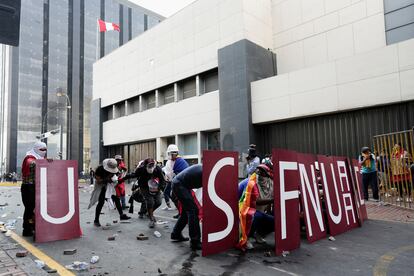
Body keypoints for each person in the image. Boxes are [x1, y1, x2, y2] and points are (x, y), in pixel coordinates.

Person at [238, 163, 274, 250]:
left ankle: (259, 233)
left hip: (258, 211)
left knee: (274, 221)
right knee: (255, 216)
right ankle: (246, 238)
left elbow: (269, 201)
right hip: (243, 211)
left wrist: (268, 214)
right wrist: (273, 200)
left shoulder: (270, 184)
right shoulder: (250, 183)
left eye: (263, 172)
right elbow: (254, 202)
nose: (259, 174)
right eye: (258, 171)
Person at [88, 158, 131, 227]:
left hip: (109, 185)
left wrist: (116, 180)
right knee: (101, 202)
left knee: (116, 198)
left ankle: (121, 215)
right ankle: (96, 220)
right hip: (100, 185)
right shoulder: (99, 170)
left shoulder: (115, 169)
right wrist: (107, 179)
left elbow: (116, 178)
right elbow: (98, 181)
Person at [124, 158, 166, 228]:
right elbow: (133, 175)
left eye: (152, 166)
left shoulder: (158, 169)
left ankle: (148, 212)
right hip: (144, 187)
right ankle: (151, 218)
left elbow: (162, 180)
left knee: (158, 202)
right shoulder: (141, 169)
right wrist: (122, 178)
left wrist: (159, 188)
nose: (151, 168)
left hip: (155, 185)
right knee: (150, 202)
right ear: (145, 166)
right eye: (149, 166)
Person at [170, 164, 202, 250]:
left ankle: (175, 234)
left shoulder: (207, 169)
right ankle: (195, 242)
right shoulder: (208, 173)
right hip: (179, 185)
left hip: (181, 184)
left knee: (186, 212)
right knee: (193, 210)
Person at [20, 141, 48, 236]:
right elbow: (31, 163)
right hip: (28, 187)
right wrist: (46, 162)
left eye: (45, 150)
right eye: (42, 149)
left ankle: (33, 226)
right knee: (29, 207)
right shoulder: (29, 157)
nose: (44, 151)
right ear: (36, 149)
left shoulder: (40, 158)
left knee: (36, 207)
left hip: (37, 186)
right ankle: (26, 229)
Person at [163, 144, 189, 215]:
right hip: (176, 182)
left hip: (182, 183)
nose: (170, 155)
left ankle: (182, 214)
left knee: (178, 198)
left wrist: (170, 179)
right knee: (174, 197)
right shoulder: (174, 161)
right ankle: (180, 213)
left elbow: (178, 174)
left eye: (170, 154)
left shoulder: (180, 162)